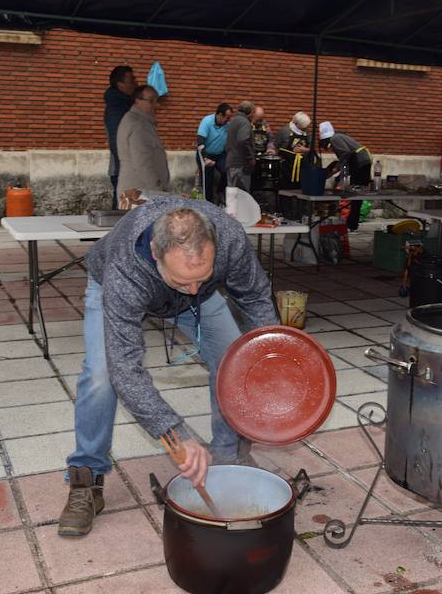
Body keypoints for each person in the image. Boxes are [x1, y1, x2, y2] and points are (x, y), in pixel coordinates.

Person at [59, 197, 278, 536]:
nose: (192, 288)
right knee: (101, 376)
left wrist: (271, 356)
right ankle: (86, 480)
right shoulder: (126, 268)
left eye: (201, 277)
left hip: (203, 304)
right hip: (112, 286)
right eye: (182, 280)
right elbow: (126, 367)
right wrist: (175, 434)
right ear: (156, 253)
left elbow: (256, 297)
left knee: (236, 360)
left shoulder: (230, 239)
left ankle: (227, 455)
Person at [116, 85, 170, 207]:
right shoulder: (138, 125)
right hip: (139, 194)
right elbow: (142, 163)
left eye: (157, 101)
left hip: (141, 192)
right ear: (137, 101)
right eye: (151, 101)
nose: (157, 105)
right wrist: (158, 191)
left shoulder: (141, 122)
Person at [319, 121, 372, 230]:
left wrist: (338, 174)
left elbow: (346, 154)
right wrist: (337, 170)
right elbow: (345, 157)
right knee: (358, 192)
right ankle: (353, 221)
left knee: (356, 191)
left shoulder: (334, 139)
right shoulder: (339, 136)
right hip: (363, 160)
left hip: (359, 162)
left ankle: (352, 222)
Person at [103, 65, 137, 209]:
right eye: (132, 80)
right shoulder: (117, 109)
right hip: (124, 167)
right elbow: (117, 139)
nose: (136, 83)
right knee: (124, 209)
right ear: (120, 85)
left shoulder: (127, 106)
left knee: (128, 207)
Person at [196, 103, 233, 205]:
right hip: (205, 153)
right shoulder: (207, 121)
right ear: (220, 115)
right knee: (208, 180)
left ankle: (220, 192)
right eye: (227, 117)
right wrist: (205, 158)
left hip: (219, 154)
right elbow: (200, 141)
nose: (228, 120)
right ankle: (209, 203)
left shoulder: (227, 125)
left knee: (226, 171)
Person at [225, 100, 257, 193]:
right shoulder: (244, 122)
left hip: (231, 162)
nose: (253, 115)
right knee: (243, 195)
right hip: (241, 165)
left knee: (232, 195)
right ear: (250, 111)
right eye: (253, 112)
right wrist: (250, 157)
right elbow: (243, 140)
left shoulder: (233, 121)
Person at [274, 112, 312, 189]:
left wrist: (305, 150)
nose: (304, 129)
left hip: (302, 166)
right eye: (302, 128)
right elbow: (276, 146)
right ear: (296, 123)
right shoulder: (285, 131)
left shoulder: (307, 133)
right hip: (286, 166)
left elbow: (311, 148)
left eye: (305, 128)